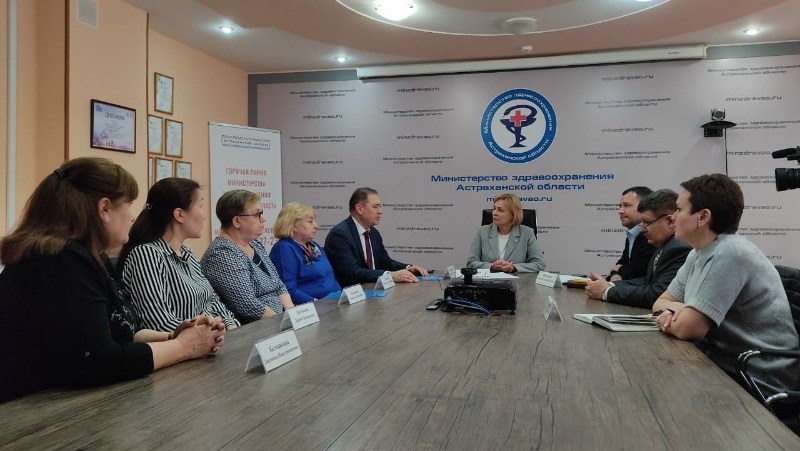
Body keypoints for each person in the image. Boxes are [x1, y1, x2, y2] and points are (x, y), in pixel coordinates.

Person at [0, 158, 225, 403]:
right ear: (105, 209)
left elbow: (116, 335)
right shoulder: (62, 260)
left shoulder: (89, 257)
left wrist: (174, 336)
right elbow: (101, 359)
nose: (133, 216)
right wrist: (184, 347)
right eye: (129, 204)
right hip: (32, 413)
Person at [652, 174, 799, 397]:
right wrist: (683, 311)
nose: (673, 217)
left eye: (679, 209)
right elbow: (660, 303)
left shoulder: (730, 252)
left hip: (758, 377)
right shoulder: (697, 253)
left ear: (703, 217)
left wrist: (683, 315)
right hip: (723, 363)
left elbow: (688, 329)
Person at [119, 178, 240, 332]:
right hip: (185, 344)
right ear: (179, 215)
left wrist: (229, 325)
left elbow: (212, 301)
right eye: (200, 206)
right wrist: (209, 332)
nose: (204, 215)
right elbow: (158, 323)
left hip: (211, 339)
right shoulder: (146, 255)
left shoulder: (188, 254)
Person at [585, 189, 690, 308]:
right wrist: (610, 285)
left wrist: (606, 292)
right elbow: (647, 281)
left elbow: (656, 294)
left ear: (670, 221)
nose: (642, 229)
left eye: (647, 222)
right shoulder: (664, 245)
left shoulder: (679, 249)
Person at [201, 190, 294, 323]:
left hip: (277, 320)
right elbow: (248, 305)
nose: (263, 219)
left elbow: (278, 285)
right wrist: (285, 322)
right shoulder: (221, 253)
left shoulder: (254, 244)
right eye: (257, 214)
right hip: (253, 326)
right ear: (237, 221)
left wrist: (292, 314)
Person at [325, 187, 428, 287]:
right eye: (375, 207)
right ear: (359, 209)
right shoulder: (339, 235)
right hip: (353, 293)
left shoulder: (373, 233)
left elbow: (385, 262)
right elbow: (352, 272)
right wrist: (389, 275)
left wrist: (408, 268)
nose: (380, 211)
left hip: (375, 290)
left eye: (380, 206)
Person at [269, 202, 341, 304]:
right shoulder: (284, 248)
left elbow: (330, 277)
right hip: (310, 307)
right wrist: (317, 303)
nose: (316, 225)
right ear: (293, 225)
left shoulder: (314, 246)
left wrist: (339, 295)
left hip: (332, 302)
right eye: (310, 221)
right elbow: (288, 289)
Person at [466, 193, 545, 273]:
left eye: (500, 210)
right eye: (494, 208)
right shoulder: (482, 232)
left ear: (513, 214)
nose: (494, 213)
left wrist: (513, 268)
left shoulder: (527, 233)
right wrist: (491, 266)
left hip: (518, 279)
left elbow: (539, 264)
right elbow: (471, 263)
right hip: (489, 279)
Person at [608, 186, 656, 281]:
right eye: (620, 206)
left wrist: (619, 269)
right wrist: (614, 274)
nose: (620, 211)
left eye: (627, 205)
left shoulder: (650, 236)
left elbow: (638, 273)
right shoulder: (632, 234)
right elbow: (621, 263)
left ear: (644, 207)